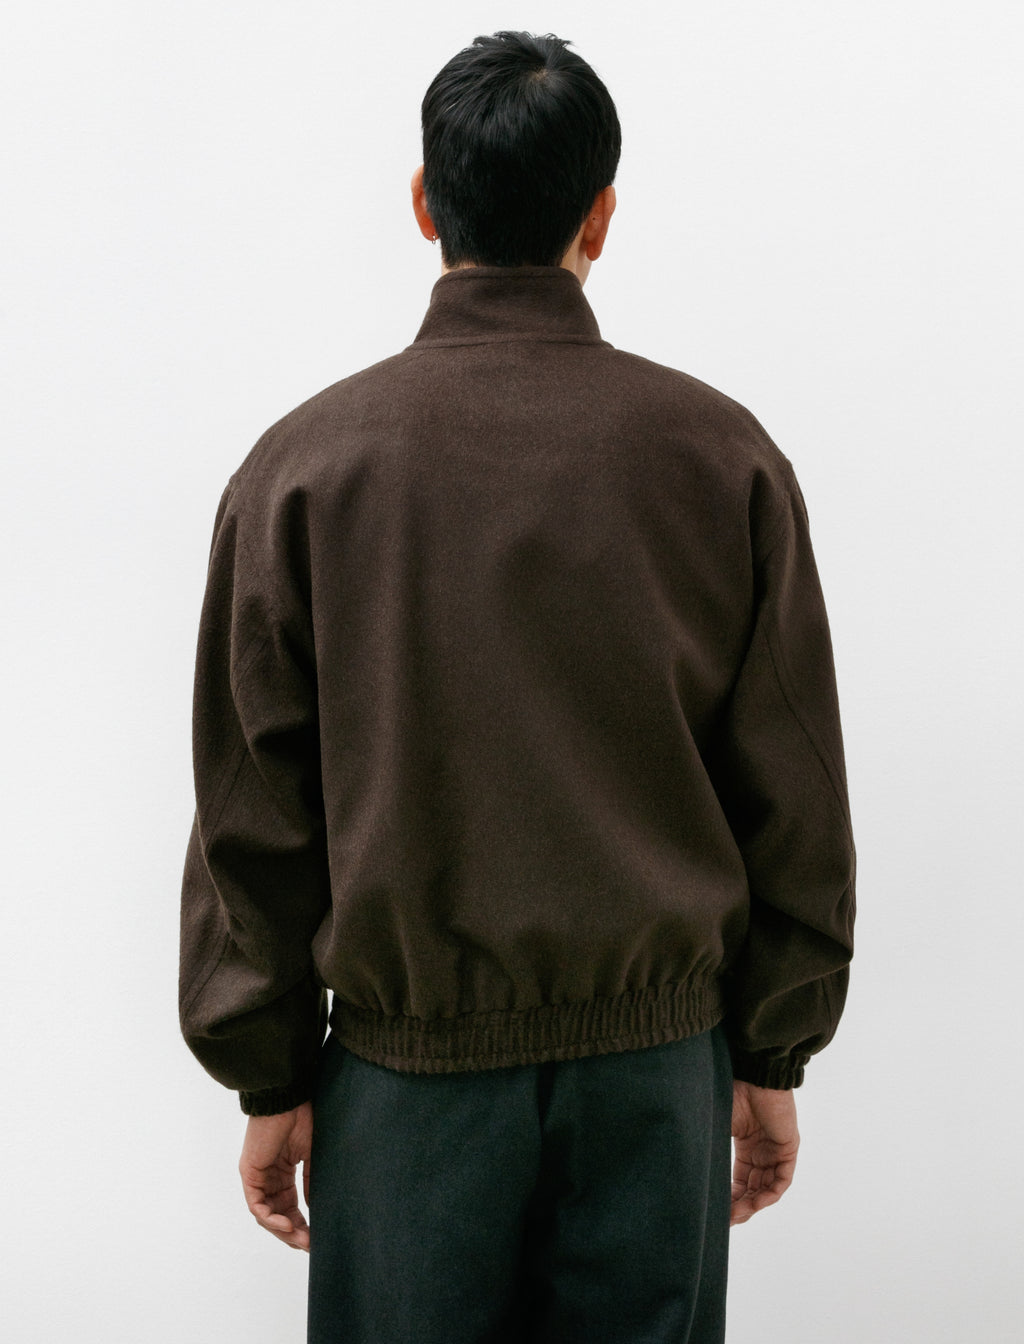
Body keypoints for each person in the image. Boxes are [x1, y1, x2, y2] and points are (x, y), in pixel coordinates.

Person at [179, 30, 856, 1344]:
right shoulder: (722, 459)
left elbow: (247, 810)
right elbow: (796, 785)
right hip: (657, 1083)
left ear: (425, 205)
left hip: (407, 1092)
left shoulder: (304, 471)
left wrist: (267, 1070)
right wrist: (771, 1050)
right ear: (601, 216)